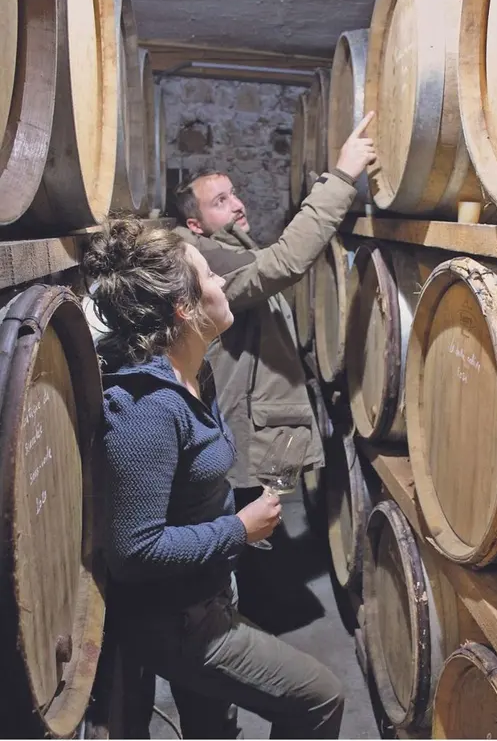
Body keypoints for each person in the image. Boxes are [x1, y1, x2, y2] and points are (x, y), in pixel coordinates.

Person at [85, 218, 344, 738]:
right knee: (319, 698)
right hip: (175, 620)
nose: (224, 283)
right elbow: (134, 550)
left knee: (213, 728)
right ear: (184, 308)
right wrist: (239, 530)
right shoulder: (147, 408)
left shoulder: (195, 371)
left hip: (209, 594)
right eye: (209, 276)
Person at [170, 112, 375, 507]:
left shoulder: (227, 248)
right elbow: (286, 262)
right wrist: (343, 177)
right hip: (239, 429)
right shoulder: (202, 257)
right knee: (243, 533)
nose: (237, 204)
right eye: (220, 201)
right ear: (195, 224)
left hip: (246, 426)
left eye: (234, 193)